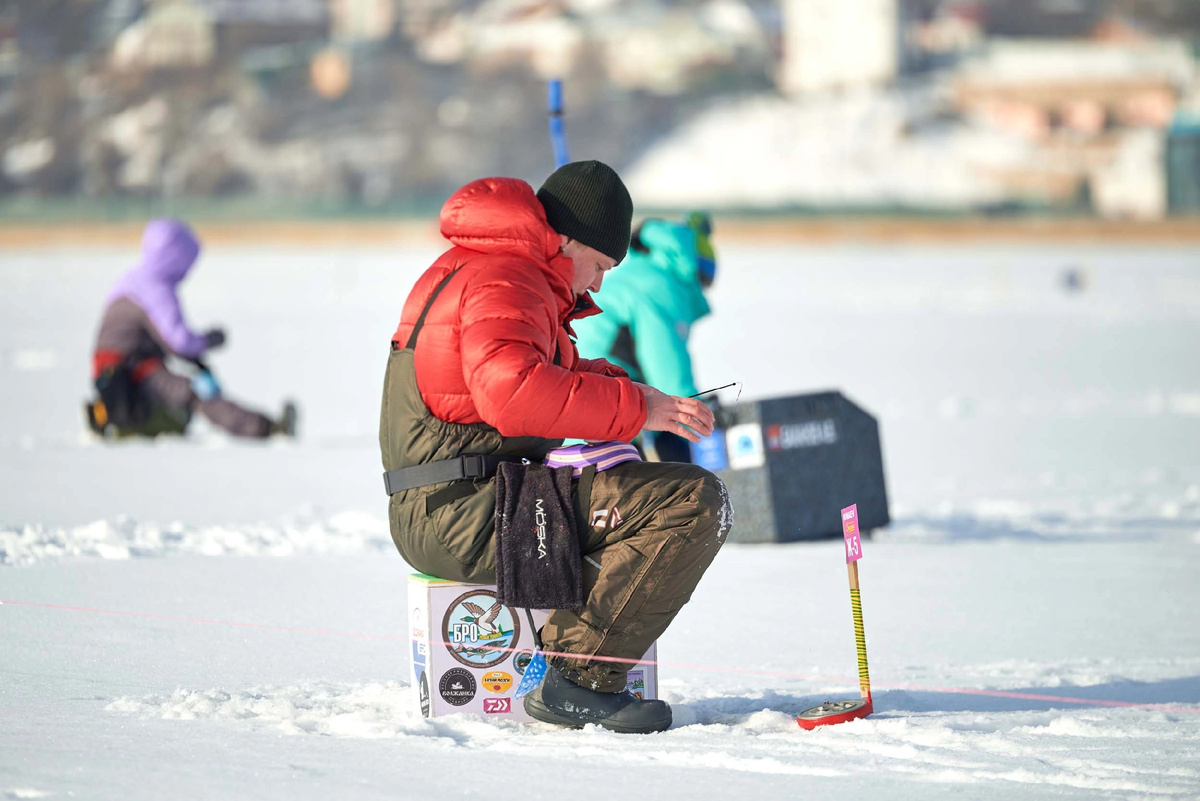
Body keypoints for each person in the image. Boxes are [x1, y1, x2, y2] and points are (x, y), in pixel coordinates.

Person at [379, 161, 733, 734]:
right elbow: (514, 396)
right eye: (597, 265)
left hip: (454, 499)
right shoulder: (507, 280)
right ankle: (579, 678)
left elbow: (541, 372)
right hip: (464, 510)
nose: (597, 284)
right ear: (566, 240)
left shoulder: (492, 270)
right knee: (692, 500)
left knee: (653, 490)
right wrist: (638, 410)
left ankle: (575, 656)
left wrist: (629, 391)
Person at [87, 219, 296, 439]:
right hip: (132, 371)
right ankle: (267, 429)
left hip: (113, 371)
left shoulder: (131, 280)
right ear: (175, 257)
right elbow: (179, 342)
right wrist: (209, 341)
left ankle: (112, 417)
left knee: (184, 395)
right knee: (196, 392)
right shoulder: (155, 288)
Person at [571, 212, 717, 463]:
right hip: (590, 423)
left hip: (586, 405)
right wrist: (704, 419)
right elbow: (669, 376)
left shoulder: (644, 273)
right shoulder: (659, 287)